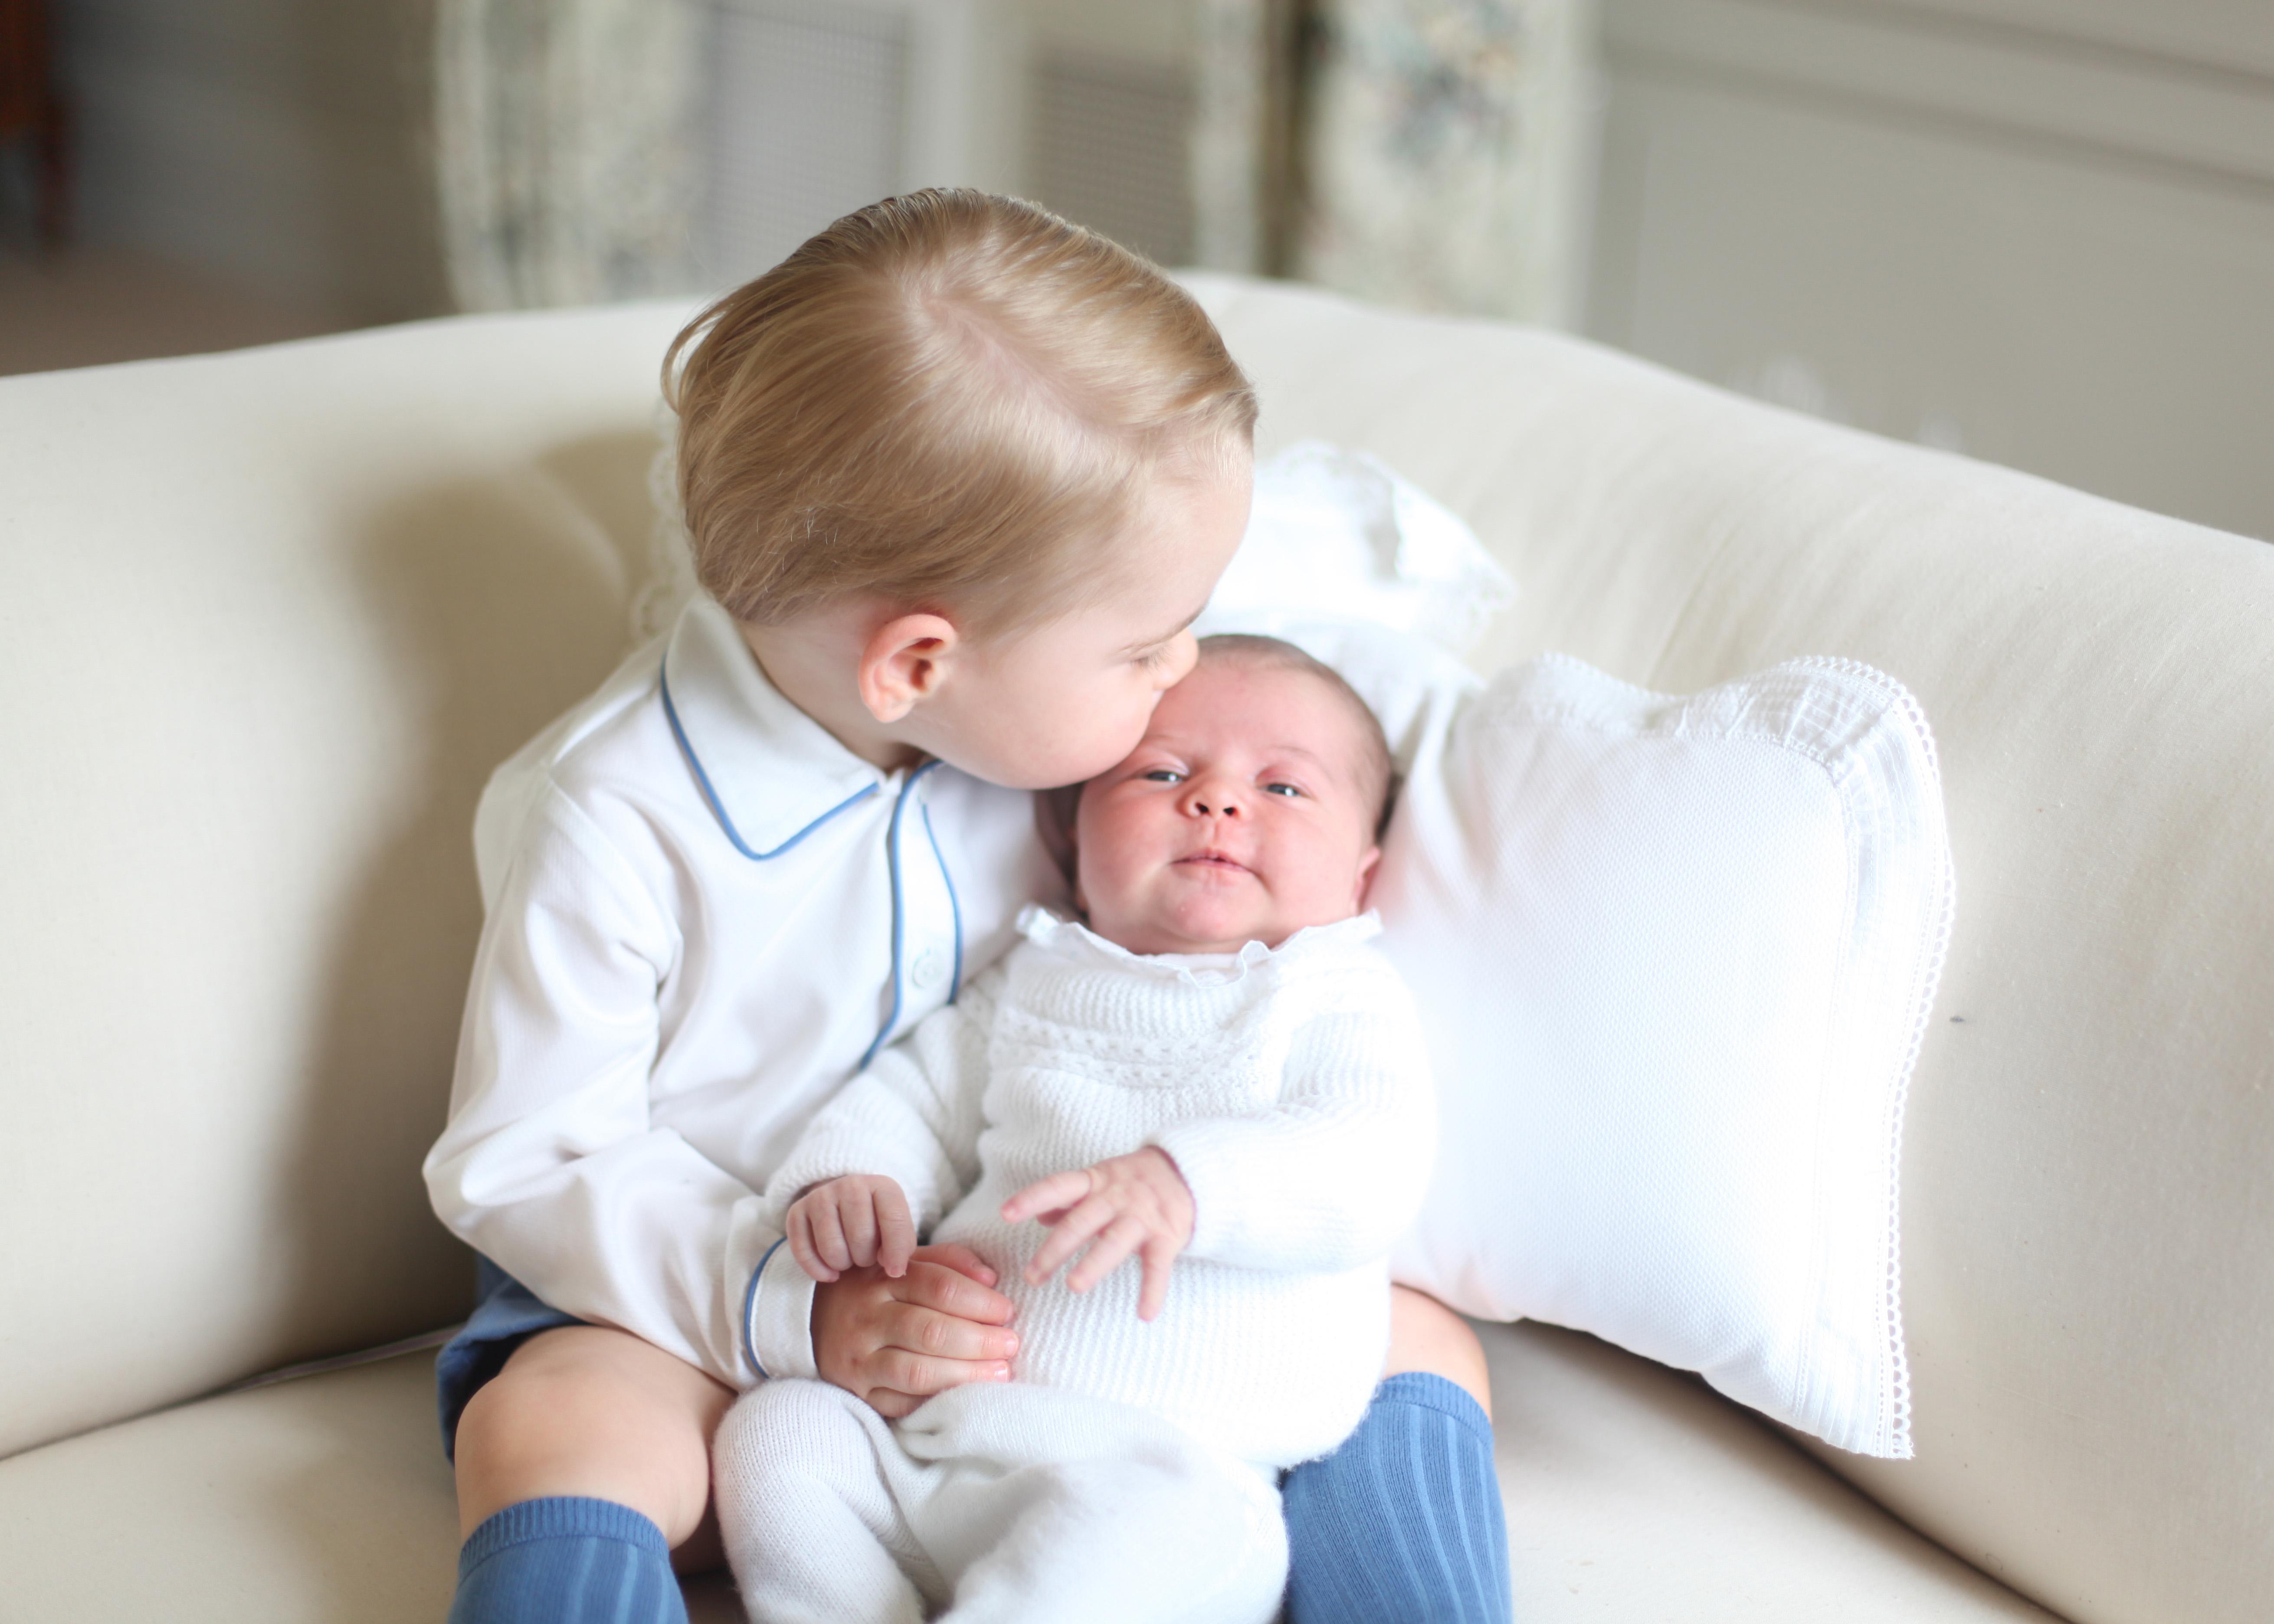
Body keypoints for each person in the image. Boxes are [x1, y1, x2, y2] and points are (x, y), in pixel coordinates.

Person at [424, 190, 1507, 1624]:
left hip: (1054, 1298)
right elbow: (521, 1161)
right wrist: (793, 1305)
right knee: (552, 1417)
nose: (1178, 665)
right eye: (1143, 646)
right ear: (917, 664)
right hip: (705, 1300)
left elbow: (1227, 624)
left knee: (1417, 1331)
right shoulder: (615, 818)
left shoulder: (1039, 721)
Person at [717, 636, 1453, 1623]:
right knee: (780, 1431)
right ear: (1070, 836)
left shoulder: (1332, 995)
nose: (1219, 801)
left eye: (1284, 790)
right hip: (939, 1446)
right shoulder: (1033, 978)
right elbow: (913, 1096)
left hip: (1177, 1472)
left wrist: (1190, 1186)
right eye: (1163, 772)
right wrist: (852, 1180)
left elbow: (1371, 1160)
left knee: (1159, 1531)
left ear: (1362, 873)